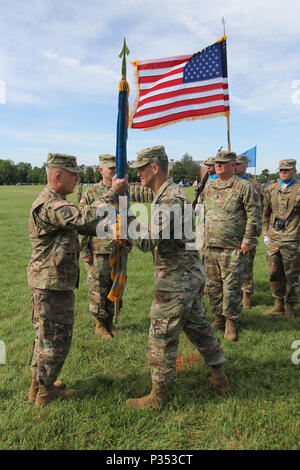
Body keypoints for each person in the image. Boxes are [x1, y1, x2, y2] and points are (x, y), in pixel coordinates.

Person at [123, 145, 229, 410]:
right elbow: (146, 202)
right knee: (198, 328)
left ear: (154, 168)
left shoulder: (170, 200)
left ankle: (159, 397)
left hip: (176, 279)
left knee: (161, 336)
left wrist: (125, 214)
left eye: (141, 169)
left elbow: (147, 241)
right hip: (188, 275)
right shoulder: (166, 194)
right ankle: (219, 376)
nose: (138, 175)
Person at [27, 153, 127, 407]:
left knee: (45, 336)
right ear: (58, 176)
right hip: (51, 284)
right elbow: (83, 217)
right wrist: (112, 193)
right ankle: (45, 391)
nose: (78, 179)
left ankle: (38, 385)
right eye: (74, 175)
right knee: (55, 339)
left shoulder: (57, 202)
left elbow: (84, 226)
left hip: (52, 281)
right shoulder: (50, 204)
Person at [202, 151, 262, 341]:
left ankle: (231, 322)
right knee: (213, 286)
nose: (218, 165)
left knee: (231, 287)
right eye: (217, 163)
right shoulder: (210, 187)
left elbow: (254, 215)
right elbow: (204, 213)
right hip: (211, 246)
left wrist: (248, 240)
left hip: (233, 248)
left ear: (233, 165)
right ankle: (218, 318)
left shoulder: (244, 187)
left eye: (223, 163)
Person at [79, 154, 119, 339]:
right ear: (101, 170)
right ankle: (100, 324)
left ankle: (110, 321)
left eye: (116, 169)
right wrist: (84, 250)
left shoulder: (121, 191)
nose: (114, 172)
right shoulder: (91, 193)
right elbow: (81, 224)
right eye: (111, 169)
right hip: (98, 250)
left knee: (115, 287)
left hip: (117, 249)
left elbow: (125, 217)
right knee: (98, 290)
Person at [262, 159, 300, 318]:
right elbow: (266, 213)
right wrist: (265, 233)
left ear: (294, 171)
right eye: (281, 169)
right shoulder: (271, 189)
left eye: (287, 169)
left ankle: (290, 306)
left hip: (292, 238)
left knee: (291, 274)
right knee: (274, 273)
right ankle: (278, 303)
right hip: (274, 239)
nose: (283, 172)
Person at [236, 155, 264, 309]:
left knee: (246, 265)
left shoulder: (254, 185)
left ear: (245, 166)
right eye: (234, 164)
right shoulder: (230, 184)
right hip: (232, 232)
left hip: (248, 231)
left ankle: (246, 293)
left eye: (239, 164)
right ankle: (234, 294)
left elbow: (260, 208)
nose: (236, 167)